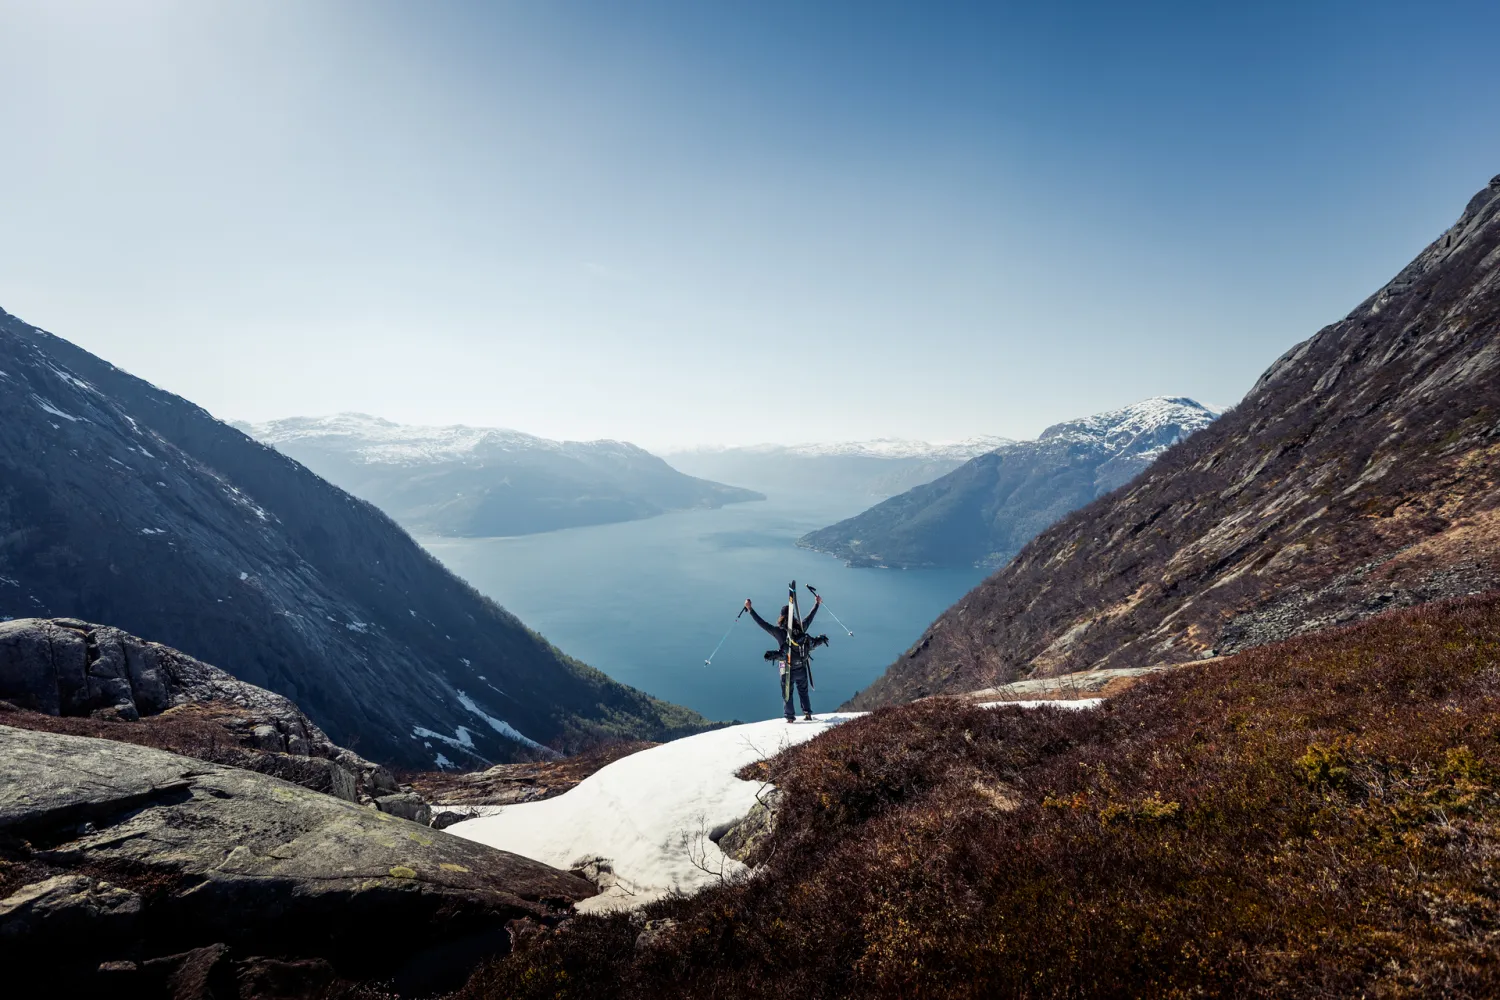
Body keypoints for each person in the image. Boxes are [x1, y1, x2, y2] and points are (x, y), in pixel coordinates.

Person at [745, 594, 821, 722]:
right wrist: (817, 604)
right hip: (801, 667)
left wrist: (750, 610)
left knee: (787, 694)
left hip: (786, 669)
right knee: (803, 691)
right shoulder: (801, 628)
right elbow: (810, 618)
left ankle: (790, 717)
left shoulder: (779, 632)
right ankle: (807, 713)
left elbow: (762, 624)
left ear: (782, 617)